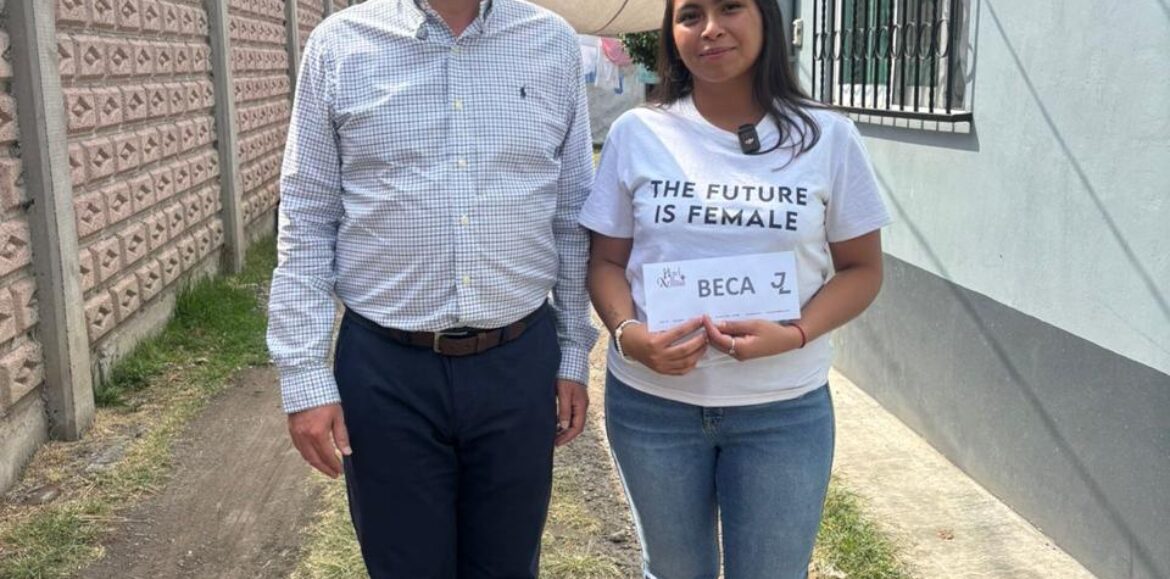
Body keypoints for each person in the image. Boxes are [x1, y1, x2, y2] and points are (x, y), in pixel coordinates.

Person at [266, 0, 598, 577]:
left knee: (507, 566)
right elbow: (307, 216)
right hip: (386, 372)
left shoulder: (552, 42)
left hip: (518, 364)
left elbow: (571, 215)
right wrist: (303, 376)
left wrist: (573, 352)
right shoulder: (340, 45)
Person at [578, 0, 892, 577]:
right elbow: (606, 262)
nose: (710, 29)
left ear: (766, 18)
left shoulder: (828, 137)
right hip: (652, 408)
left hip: (782, 410)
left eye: (730, 8)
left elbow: (862, 270)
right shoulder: (637, 132)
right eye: (690, 15)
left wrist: (796, 333)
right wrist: (627, 334)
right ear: (672, 34)